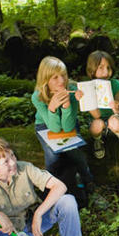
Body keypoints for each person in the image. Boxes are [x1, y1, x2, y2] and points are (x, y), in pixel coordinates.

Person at [31, 56, 94, 206]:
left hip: (69, 125)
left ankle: (88, 180)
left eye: (64, 75)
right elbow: (53, 128)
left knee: (76, 152)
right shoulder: (38, 97)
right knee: (53, 155)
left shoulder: (71, 90)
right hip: (45, 126)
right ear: (45, 80)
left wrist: (67, 106)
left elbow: (67, 127)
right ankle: (50, 186)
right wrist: (52, 108)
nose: (61, 81)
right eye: (55, 77)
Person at [84, 50, 119, 159]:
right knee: (97, 125)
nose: (106, 72)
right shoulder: (87, 87)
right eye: (101, 68)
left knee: (115, 122)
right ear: (92, 70)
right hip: (97, 120)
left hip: (113, 117)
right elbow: (96, 116)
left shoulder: (115, 84)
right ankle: (98, 140)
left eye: (109, 68)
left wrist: (116, 107)